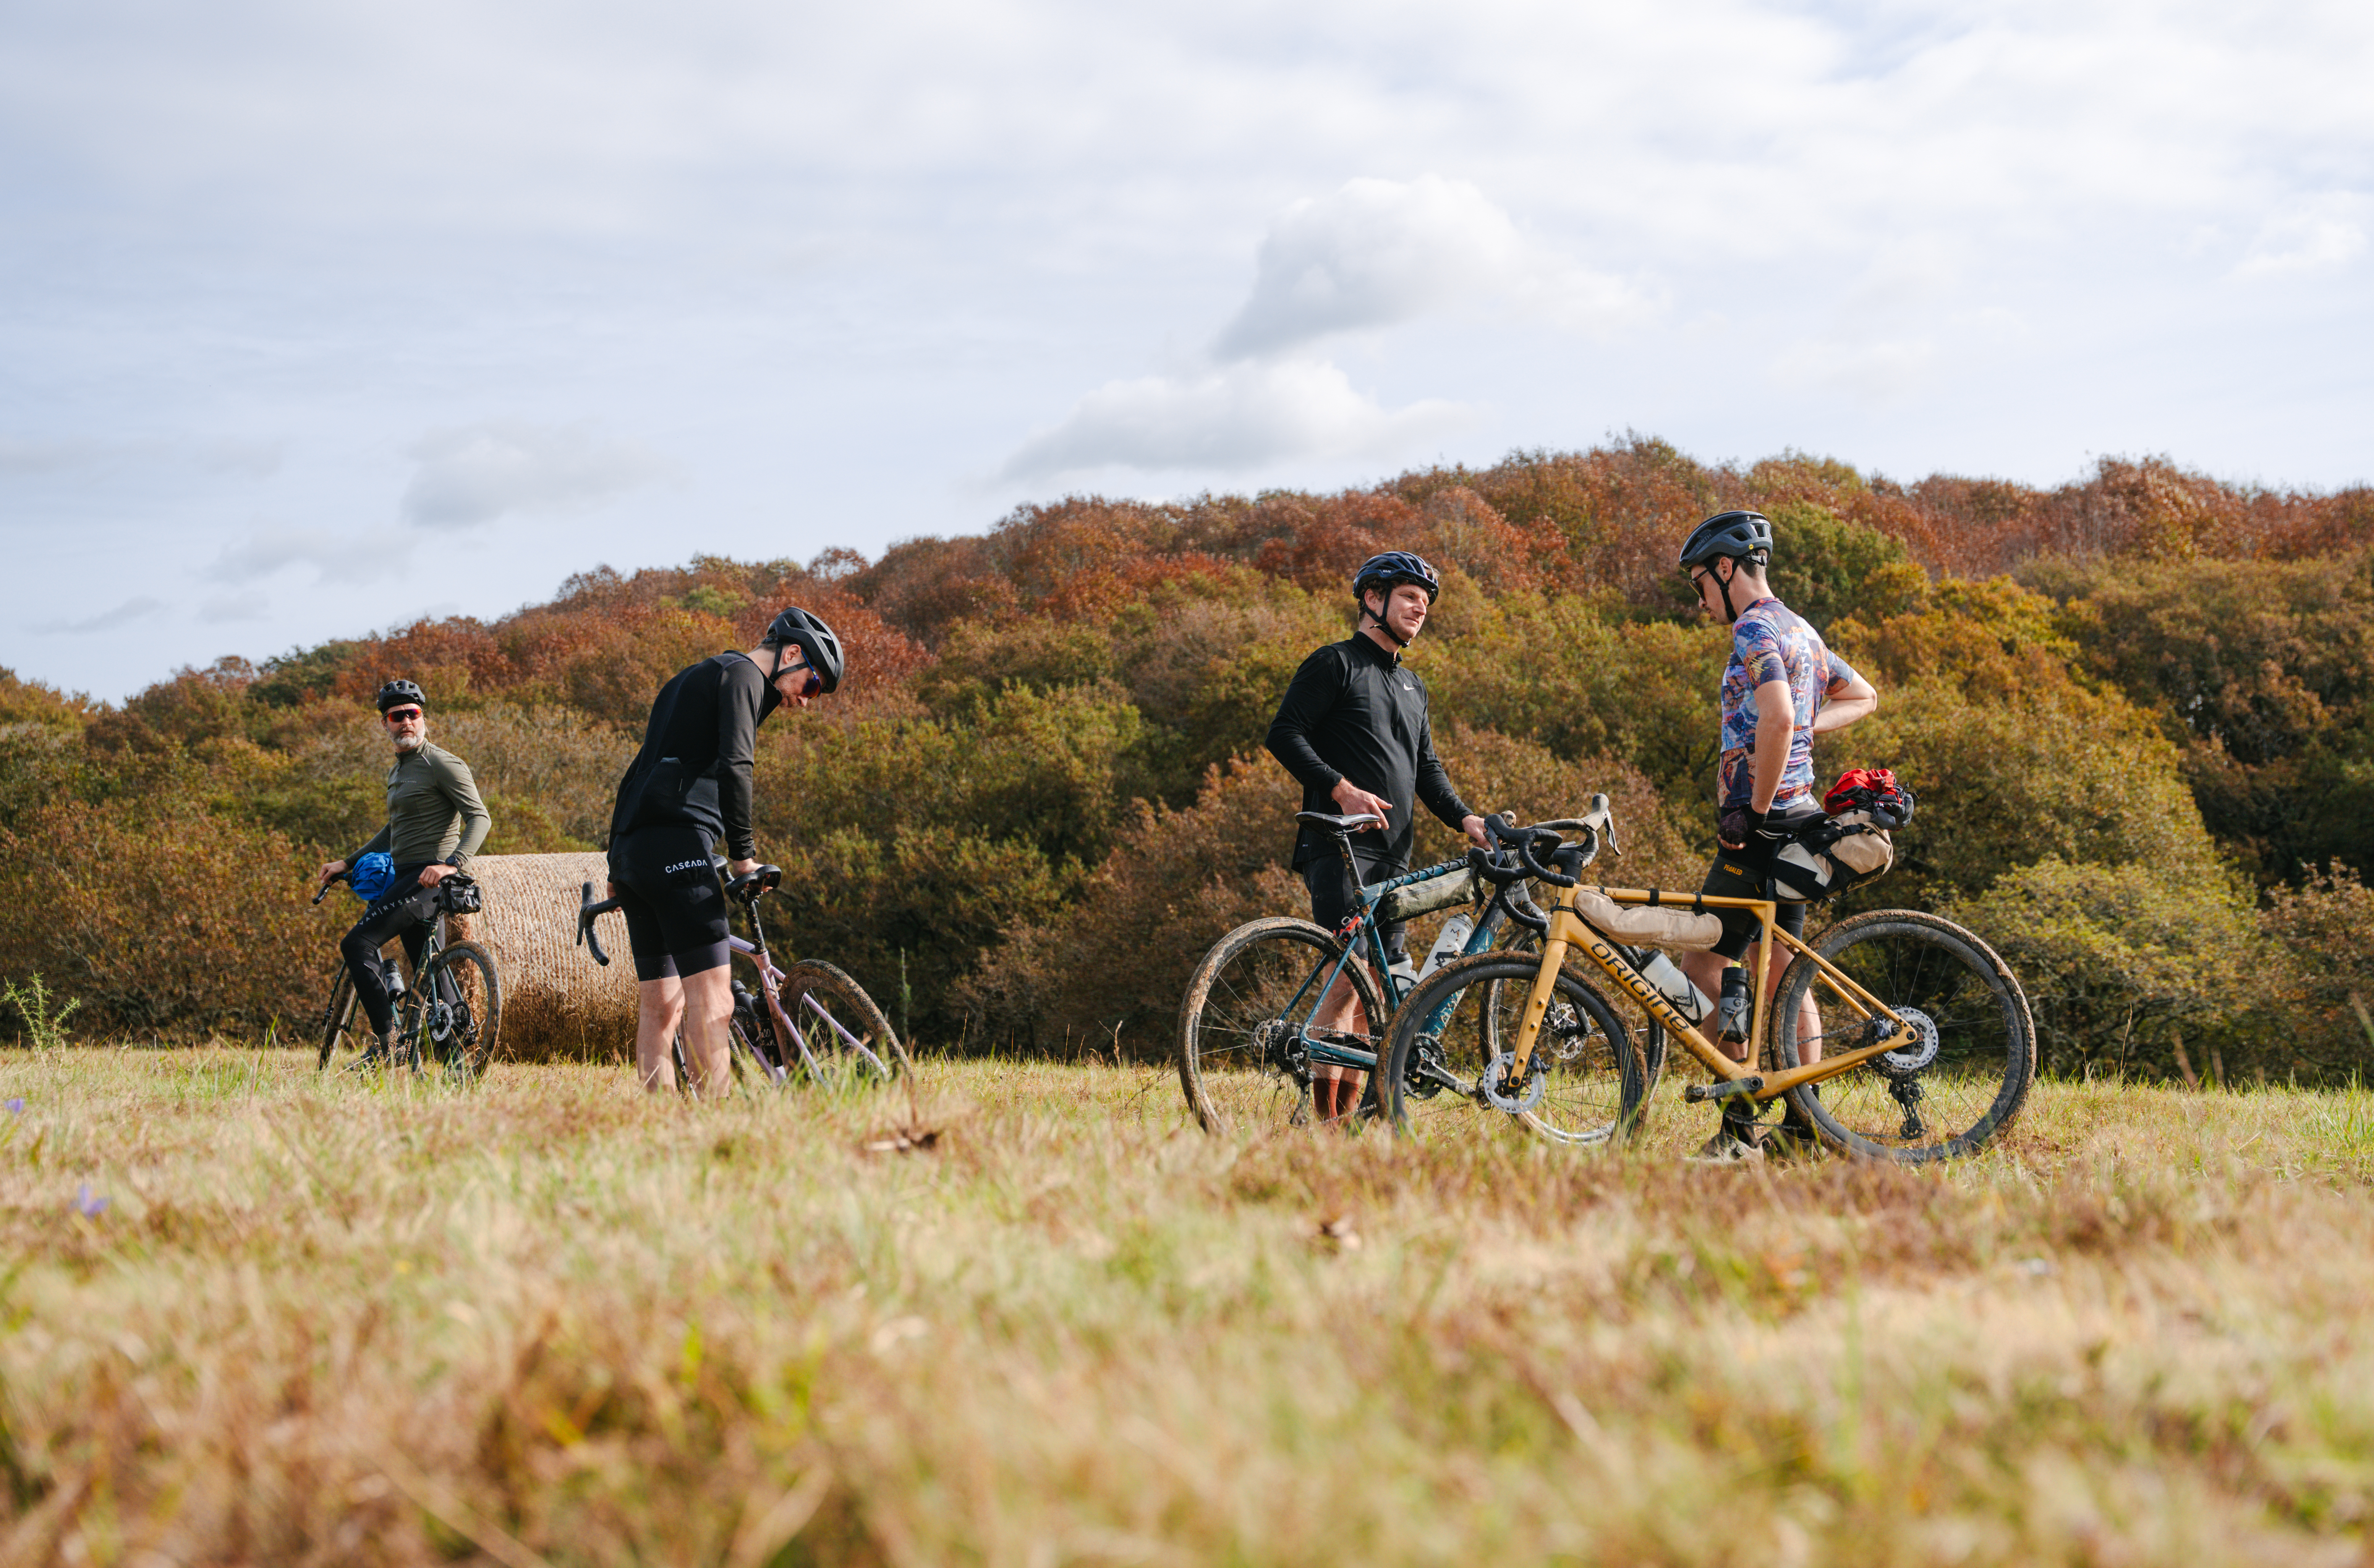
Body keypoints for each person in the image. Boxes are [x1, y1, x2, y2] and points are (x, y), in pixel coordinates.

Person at [1670, 511, 1880, 1160]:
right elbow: (1863, 695)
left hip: (1763, 828)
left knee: (1704, 963)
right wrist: (1797, 736)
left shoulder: (1754, 629)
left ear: (1727, 570)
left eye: (1699, 582)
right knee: (1783, 976)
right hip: (1798, 814)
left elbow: (1780, 713)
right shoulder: (1801, 630)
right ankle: (1803, 1128)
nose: (1698, 596)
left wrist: (1751, 810)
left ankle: (1739, 1129)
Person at [1265, 550, 1491, 1123]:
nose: (1421, 606)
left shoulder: (1413, 686)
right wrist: (1340, 789)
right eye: (1409, 595)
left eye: (1427, 601)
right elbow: (1284, 733)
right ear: (1372, 598)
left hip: (1395, 856)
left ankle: (1347, 1123)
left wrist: (1466, 818)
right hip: (1338, 845)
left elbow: (1428, 771)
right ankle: (1323, 1124)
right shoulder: (1334, 664)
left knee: (1382, 992)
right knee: (1350, 977)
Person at [605, 606, 843, 1097]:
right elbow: (738, 765)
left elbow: (637, 769)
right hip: (679, 843)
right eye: (813, 685)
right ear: (793, 653)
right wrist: (744, 856)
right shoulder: (743, 677)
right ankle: (715, 1126)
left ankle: (660, 1128)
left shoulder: (688, 679)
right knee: (713, 1000)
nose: (805, 701)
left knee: (659, 1007)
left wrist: (615, 864)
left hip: (634, 851)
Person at [315, 680, 494, 1060]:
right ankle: (457, 1053)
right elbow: (394, 830)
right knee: (428, 970)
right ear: (385, 724)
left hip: (430, 878)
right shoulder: (400, 771)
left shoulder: (441, 763)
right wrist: (347, 862)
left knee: (357, 944)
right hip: (405, 875)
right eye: (397, 716)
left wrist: (451, 866)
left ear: (423, 718)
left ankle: (389, 1044)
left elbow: (479, 817)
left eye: (413, 714)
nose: (406, 722)